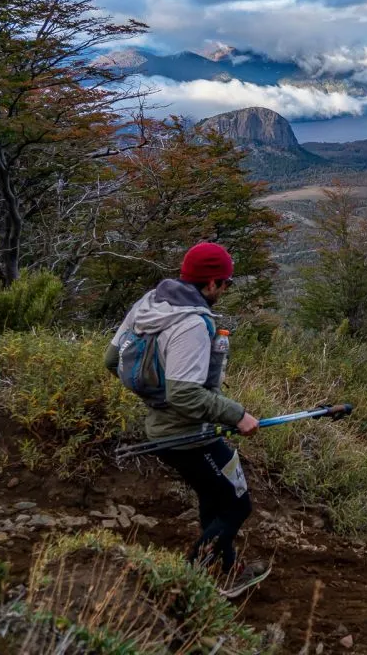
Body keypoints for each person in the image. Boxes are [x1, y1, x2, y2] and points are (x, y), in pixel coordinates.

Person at [105, 242, 268, 594]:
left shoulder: (150, 302)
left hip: (163, 428)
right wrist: (238, 415)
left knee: (213, 498)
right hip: (189, 434)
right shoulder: (192, 324)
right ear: (210, 283)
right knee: (237, 505)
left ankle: (225, 569)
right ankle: (188, 583)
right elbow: (184, 395)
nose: (226, 289)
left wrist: (153, 396)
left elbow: (111, 360)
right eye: (226, 283)